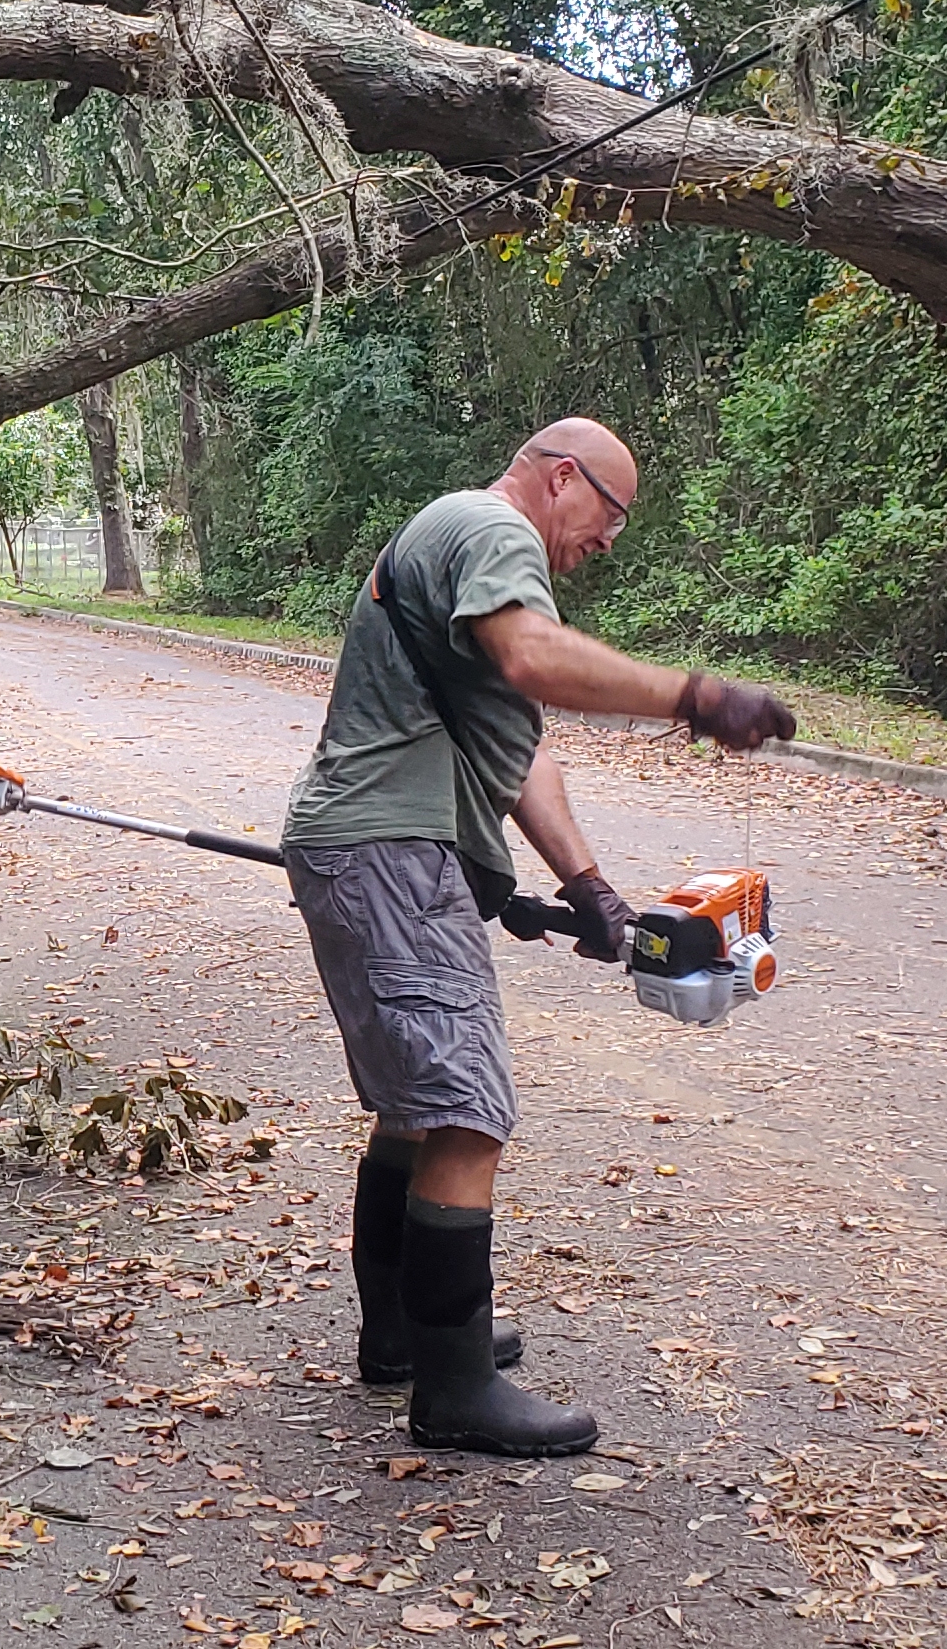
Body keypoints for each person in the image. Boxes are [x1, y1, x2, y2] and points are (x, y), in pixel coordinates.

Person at [281, 420, 796, 1456]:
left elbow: (521, 753)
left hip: (372, 846)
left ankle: (403, 1339)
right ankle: (454, 1387)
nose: (606, 545)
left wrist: (588, 886)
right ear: (565, 478)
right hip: (393, 851)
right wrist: (693, 697)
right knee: (467, 1110)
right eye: (608, 519)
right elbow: (534, 658)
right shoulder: (494, 529)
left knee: (420, 1109)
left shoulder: (455, 539)